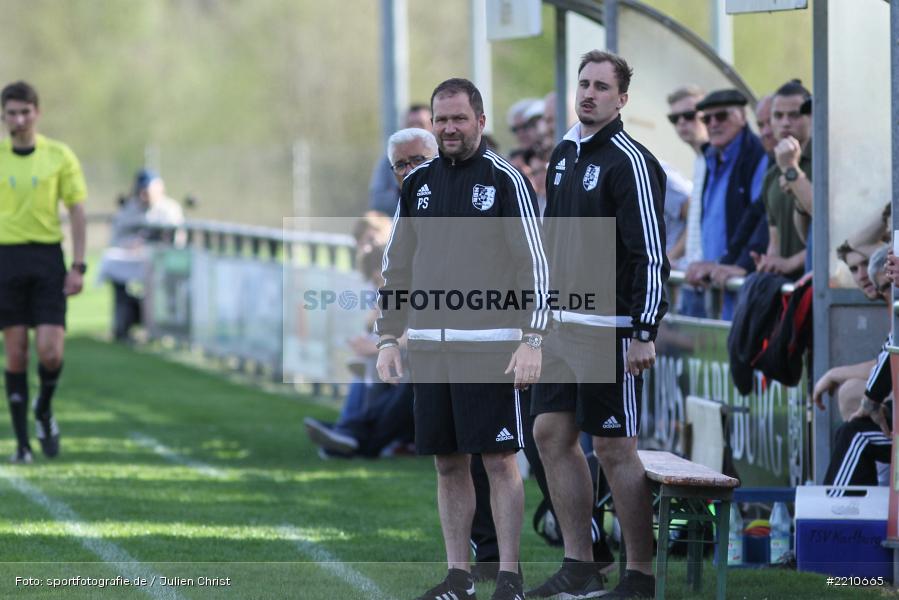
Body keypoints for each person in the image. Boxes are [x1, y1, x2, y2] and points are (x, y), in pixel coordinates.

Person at [376, 78, 548, 600]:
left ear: (480, 120)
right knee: (447, 462)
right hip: (429, 347)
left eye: (459, 118)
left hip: (491, 347)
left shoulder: (504, 180)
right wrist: (388, 336)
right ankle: (458, 575)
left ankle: (511, 576)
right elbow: (396, 266)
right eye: (441, 119)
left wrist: (532, 339)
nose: (449, 127)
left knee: (498, 461)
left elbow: (533, 265)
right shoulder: (418, 182)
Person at [530, 51, 668, 599]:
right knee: (548, 434)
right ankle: (581, 563)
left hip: (609, 328)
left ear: (622, 99)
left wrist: (643, 331)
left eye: (601, 87)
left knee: (613, 448)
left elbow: (649, 255)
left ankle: (640, 575)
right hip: (561, 325)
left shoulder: (630, 160)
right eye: (583, 84)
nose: (589, 93)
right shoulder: (564, 152)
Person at [0, 81, 87, 463]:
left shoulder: (58, 156)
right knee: (16, 352)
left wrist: (78, 264)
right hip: (6, 260)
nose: (18, 120)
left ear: (37, 112)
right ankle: (22, 445)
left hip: (47, 259)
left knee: (50, 353)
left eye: (25, 112)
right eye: (11, 113)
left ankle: (44, 410)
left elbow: (77, 210)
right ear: (2, 116)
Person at [684, 88, 769, 319]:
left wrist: (737, 263)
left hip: (740, 278)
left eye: (721, 116)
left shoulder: (757, 155)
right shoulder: (710, 157)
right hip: (715, 279)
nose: (713, 124)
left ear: (742, 117)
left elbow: (762, 216)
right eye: (706, 119)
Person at [101, 169, 184, 341]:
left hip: (164, 263)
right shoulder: (129, 208)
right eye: (141, 191)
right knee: (120, 282)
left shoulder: (170, 209)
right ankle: (123, 325)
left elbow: (177, 241)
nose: (144, 196)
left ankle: (158, 328)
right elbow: (116, 238)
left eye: (148, 191)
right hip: (133, 260)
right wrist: (130, 245)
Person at [750, 81, 812, 280]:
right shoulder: (771, 176)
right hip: (788, 291)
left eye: (794, 115)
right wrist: (769, 263)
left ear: (810, 116)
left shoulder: (825, 165)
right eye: (778, 116)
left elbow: (833, 228)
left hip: (818, 287)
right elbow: (774, 243)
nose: (785, 122)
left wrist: (791, 170)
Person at [666, 85, 709, 316]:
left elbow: (692, 211)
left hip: (709, 278)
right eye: (675, 118)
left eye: (689, 115)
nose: (682, 122)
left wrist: (670, 256)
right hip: (694, 276)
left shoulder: (715, 157)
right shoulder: (701, 159)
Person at [368, 104, 433, 215]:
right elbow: (377, 201)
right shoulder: (389, 160)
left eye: (421, 124)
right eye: (410, 125)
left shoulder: (443, 159)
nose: (415, 129)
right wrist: (403, 191)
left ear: (433, 127)